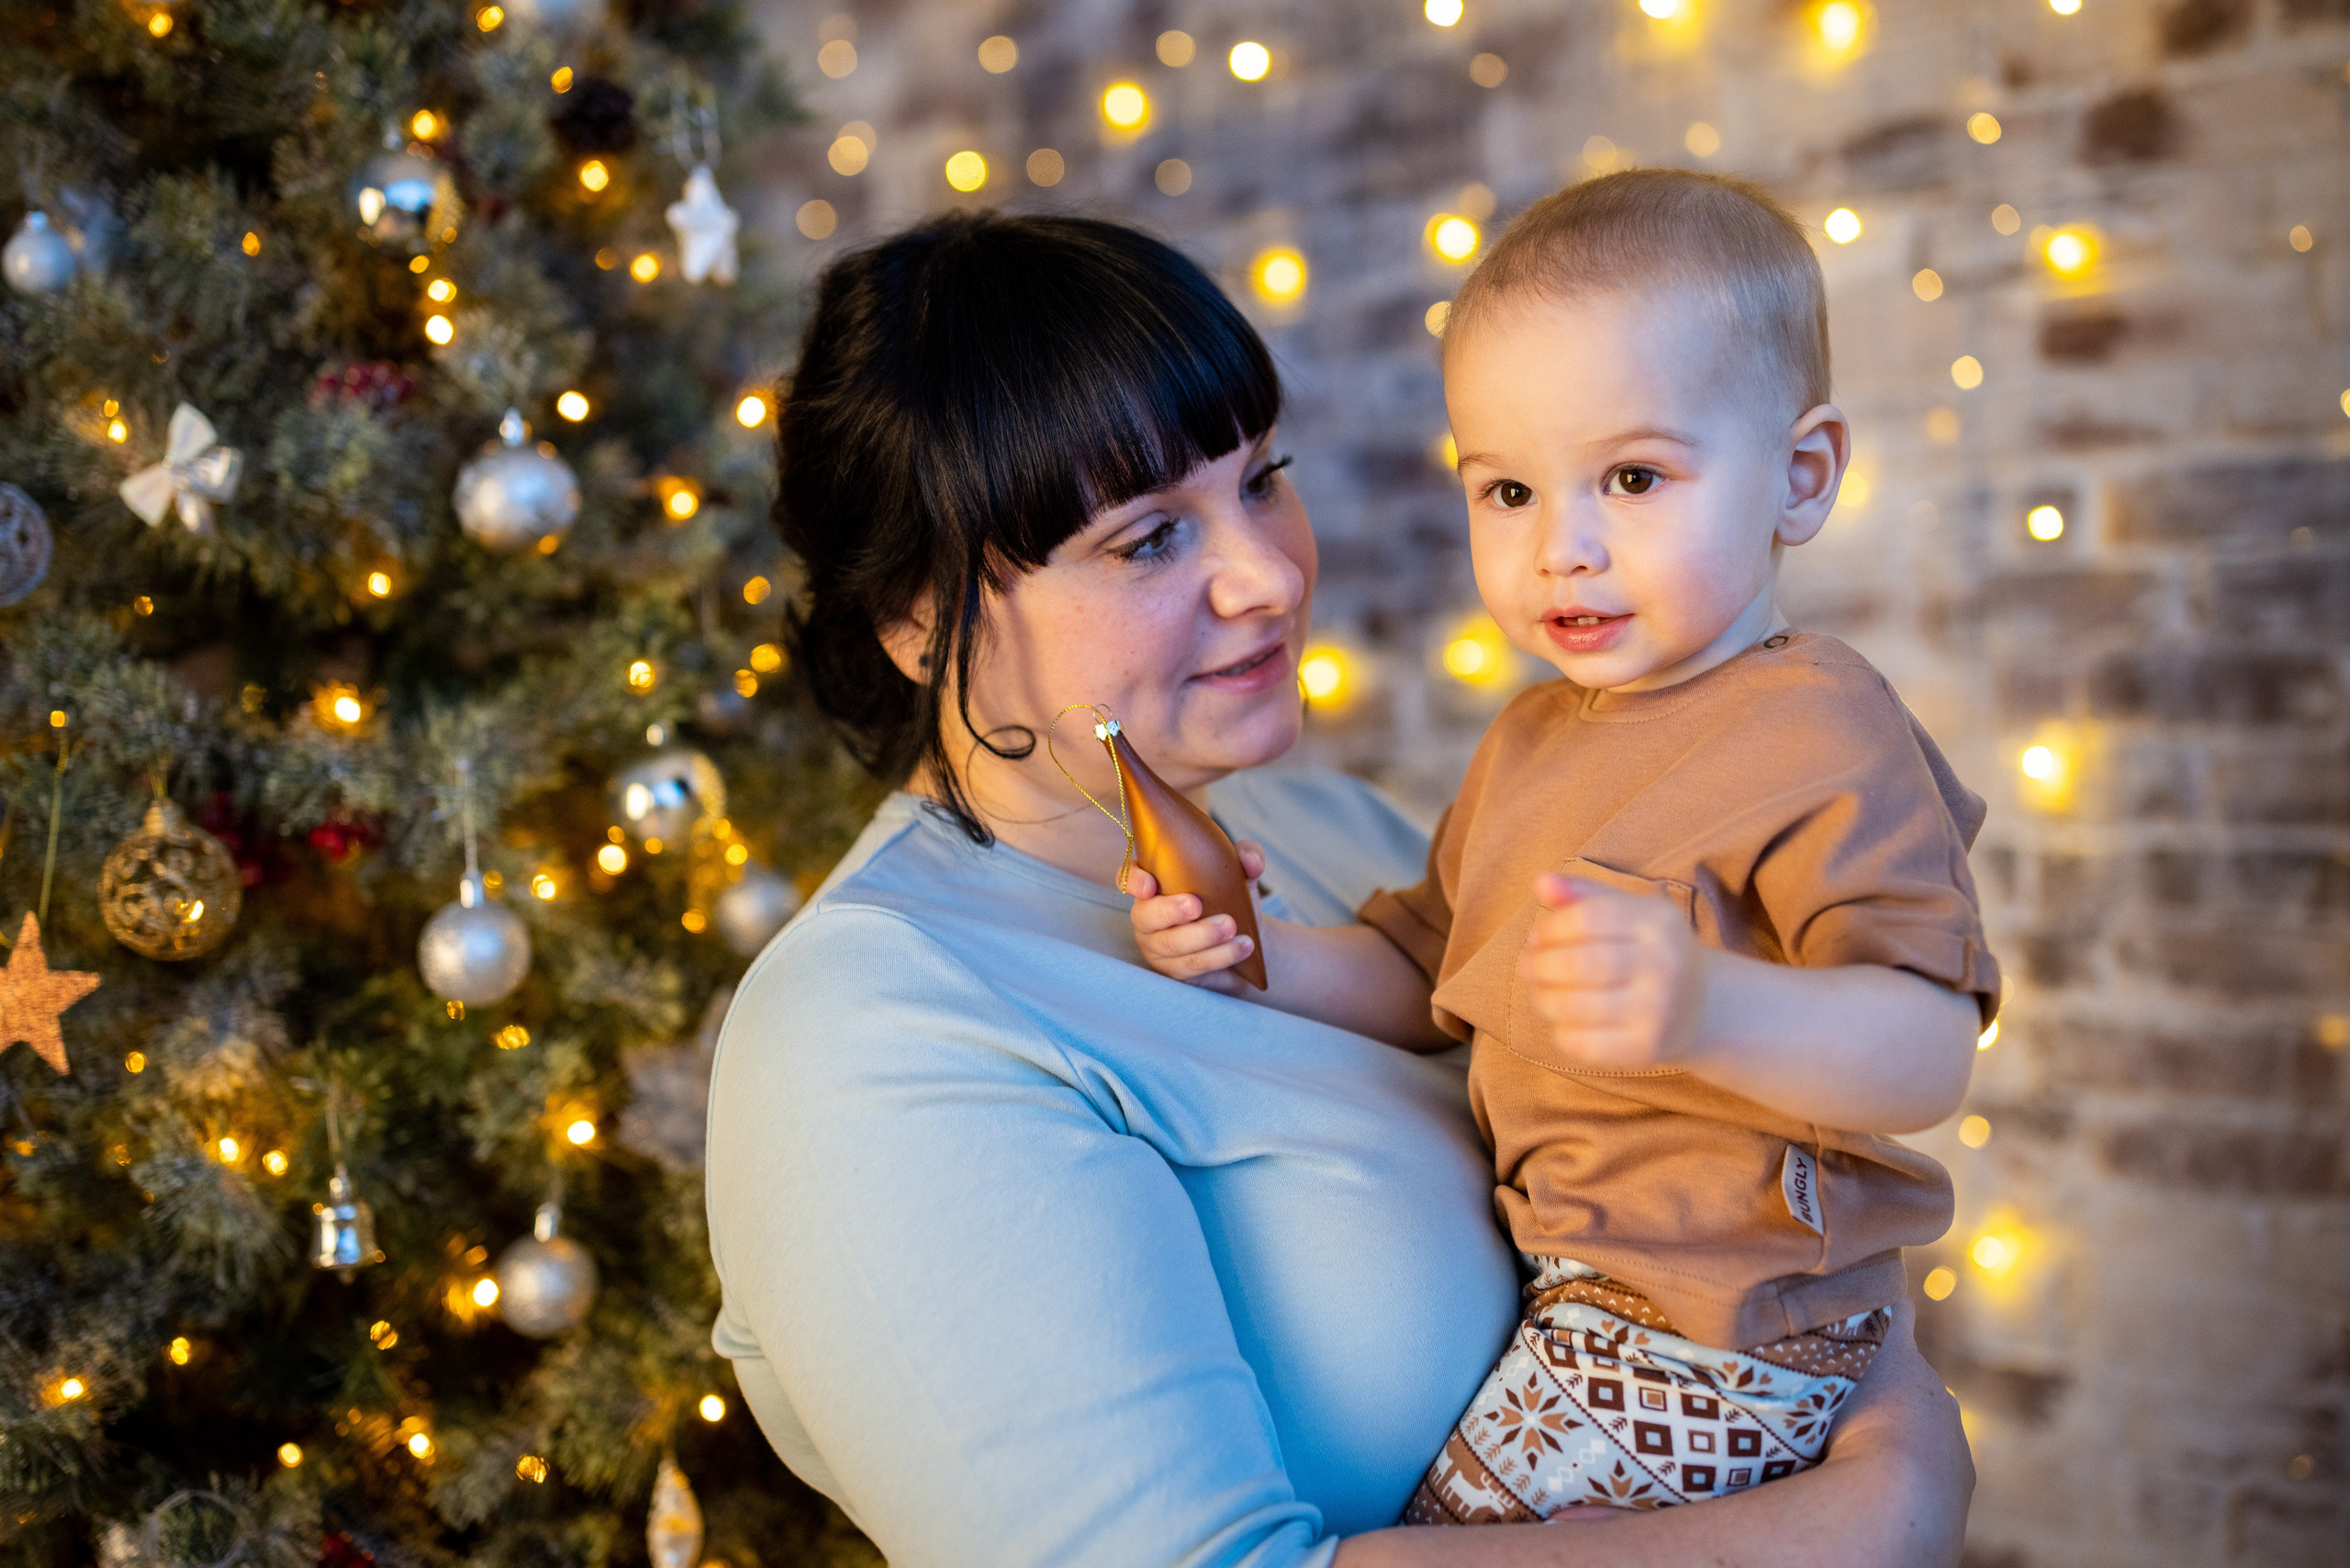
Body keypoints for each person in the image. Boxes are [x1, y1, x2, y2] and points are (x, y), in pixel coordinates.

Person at [704, 209, 1974, 1568]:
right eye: (1147, 540)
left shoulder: (1326, 828)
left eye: (1261, 481)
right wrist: (1864, 1517)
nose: (1267, 577)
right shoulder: (872, 1041)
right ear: (917, 618)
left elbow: (1745, 1173)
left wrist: (1873, 1396)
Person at [1129, 172, 1998, 1526]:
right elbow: (1427, 974)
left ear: (1801, 476)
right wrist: (1260, 962)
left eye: (1635, 478)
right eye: (1511, 490)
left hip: (1726, 1327)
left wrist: (1708, 1004)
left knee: (1437, 1547)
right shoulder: (1532, 742)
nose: (1562, 549)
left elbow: (1926, 1052)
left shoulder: (1818, 728)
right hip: (1579, 1303)